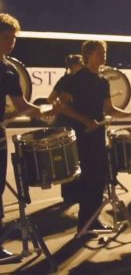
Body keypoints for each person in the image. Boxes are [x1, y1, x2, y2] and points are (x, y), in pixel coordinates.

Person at [59, 40, 131, 234]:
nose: (104, 55)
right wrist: (85, 120)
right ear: (88, 55)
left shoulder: (103, 81)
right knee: (87, 179)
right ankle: (84, 223)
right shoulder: (75, 78)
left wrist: (130, 114)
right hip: (81, 135)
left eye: (104, 52)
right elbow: (63, 106)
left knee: (99, 179)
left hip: (97, 135)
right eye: (100, 52)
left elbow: (109, 109)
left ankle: (93, 219)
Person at [0, 14, 59, 262]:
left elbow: (18, 107)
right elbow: (23, 107)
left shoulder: (8, 70)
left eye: (14, 39)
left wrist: (44, 110)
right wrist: (45, 110)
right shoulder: (8, 70)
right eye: (7, 38)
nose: (11, 43)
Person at [47, 54, 84, 204]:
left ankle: (68, 195)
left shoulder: (63, 79)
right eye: (81, 64)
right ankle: (74, 194)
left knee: (67, 159)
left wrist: (58, 104)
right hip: (73, 122)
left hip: (63, 123)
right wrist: (65, 103)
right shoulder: (73, 80)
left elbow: (50, 98)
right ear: (75, 65)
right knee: (75, 158)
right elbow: (57, 99)